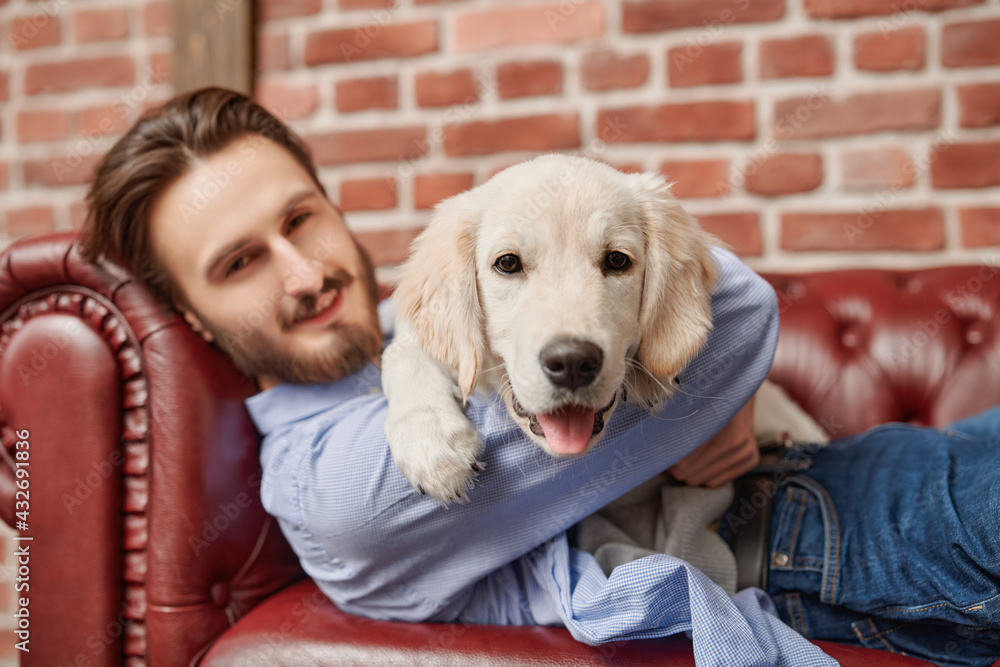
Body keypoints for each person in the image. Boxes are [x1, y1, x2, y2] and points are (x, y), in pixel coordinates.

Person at [78, 87, 1000, 667]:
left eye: (301, 219)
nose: (303, 272)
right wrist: (698, 399)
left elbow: (734, 313)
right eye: (239, 263)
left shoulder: (436, 302)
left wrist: (721, 376)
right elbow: (745, 319)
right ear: (193, 315)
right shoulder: (324, 481)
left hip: (846, 470)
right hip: (800, 532)